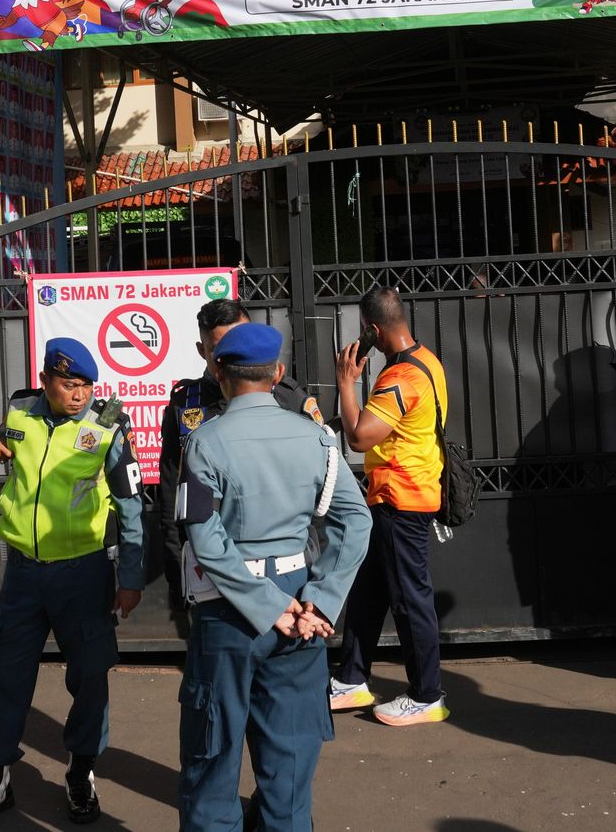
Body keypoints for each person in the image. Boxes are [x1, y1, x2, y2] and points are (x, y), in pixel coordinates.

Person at [176, 323, 373, 832]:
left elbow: (204, 537)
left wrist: (265, 605)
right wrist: (322, 601)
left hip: (226, 610)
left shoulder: (203, 442)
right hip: (301, 607)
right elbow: (356, 521)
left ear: (219, 371)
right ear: (278, 373)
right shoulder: (318, 439)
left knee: (212, 760)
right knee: (288, 766)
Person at [0, 338, 145, 829]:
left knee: (89, 678)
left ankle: (81, 772)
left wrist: (132, 576)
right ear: (47, 380)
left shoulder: (108, 425)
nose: (79, 395)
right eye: (69, 385)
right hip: (24, 573)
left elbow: (131, 503)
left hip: (84, 573)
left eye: (86, 386)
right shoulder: (19, 413)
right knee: (6, 675)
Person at [158, 299, 324, 626]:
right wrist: (176, 566)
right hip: (212, 575)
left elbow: (322, 489)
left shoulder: (287, 398)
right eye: (219, 348)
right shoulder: (184, 404)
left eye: (239, 341)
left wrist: (317, 577)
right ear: (201, 349)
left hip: (286, 568)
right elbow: (170, 492)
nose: (230, 357)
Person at [328, 286, 451, 726]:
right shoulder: (427, 361)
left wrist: (346, 383)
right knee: (369, 591)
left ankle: (426, 695)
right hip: (393, 496)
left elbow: (361, 437)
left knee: (409, 599)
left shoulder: (400, 378)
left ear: (373, 330)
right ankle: (351, 679)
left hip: (402, 499)